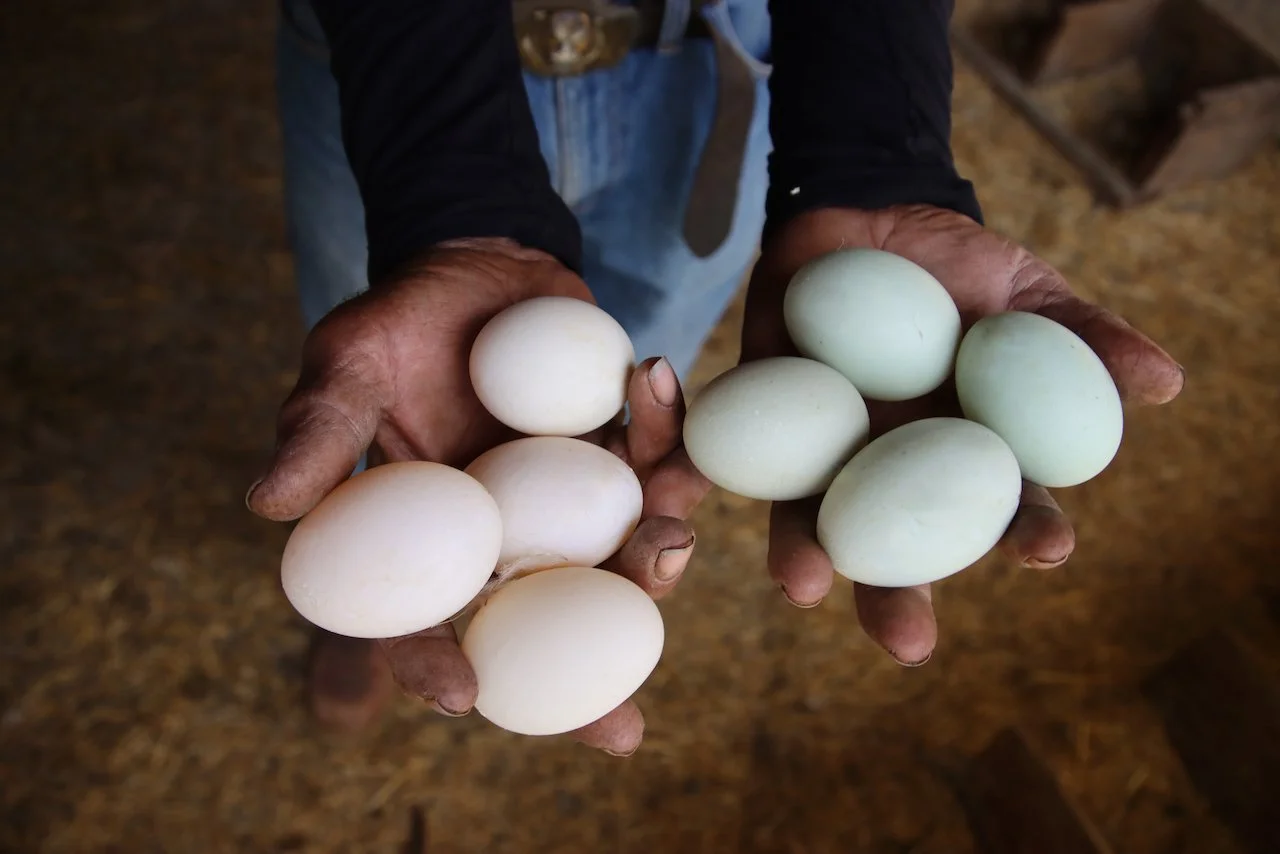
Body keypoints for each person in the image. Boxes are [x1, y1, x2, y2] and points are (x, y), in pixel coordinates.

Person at [246, 0, 1185, 756]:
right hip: (395, 66)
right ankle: (395, 574)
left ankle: (425, 563)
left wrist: (870, 153)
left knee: (635, 380)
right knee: (397, 375)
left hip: (703, 58)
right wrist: (449, 200)